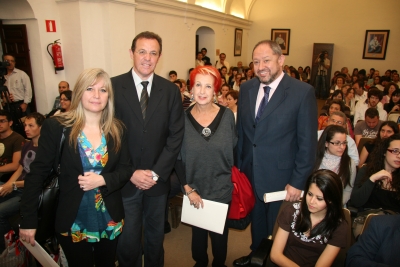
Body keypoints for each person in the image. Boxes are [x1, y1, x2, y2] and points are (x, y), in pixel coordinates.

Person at [19, 68, 132, 266]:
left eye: (103, 90)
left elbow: (126, 169)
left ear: (109, 96)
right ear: (79, 92)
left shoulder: (117, 129)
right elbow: (36, 174)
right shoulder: (57, 127)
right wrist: (28, 220)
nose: (97, 95)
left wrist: (104, 179)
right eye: (90, 89)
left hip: (109, 217)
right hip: (73, 218)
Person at [234, 40, 317, 267]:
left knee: (279, 229)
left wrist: (298, 182)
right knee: (258, 223)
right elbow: (243, 132)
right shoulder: (247, 88)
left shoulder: (302, 92)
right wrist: (239, 170)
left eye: (266, 60)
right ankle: (256, 257)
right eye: (256, 61)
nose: (261, 66)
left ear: (281, 60)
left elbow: (308, 144)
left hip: (283, 181)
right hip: (251, 174)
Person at [111, 31, 184, 267]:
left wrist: (155, 173)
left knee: (155, 240)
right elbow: (108, 137)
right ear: (131, 53)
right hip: (125, 180)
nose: (147, 58)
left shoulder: (170, 91)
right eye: (142, 51)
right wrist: (131, 171)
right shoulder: (112, 87)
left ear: (159, 56)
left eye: (153, 53)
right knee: (128, 241)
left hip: (157, 181)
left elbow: (175, 137)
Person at [175, 65, 237, 267]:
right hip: (194, 189)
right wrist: (187, 188)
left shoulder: (227, 117)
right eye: (198, 85)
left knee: (220, 236)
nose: (202, 91)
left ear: (216, 91)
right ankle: (200, 262)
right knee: (198, 235)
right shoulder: (182, 120)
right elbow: (176, 158)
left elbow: (234, 150)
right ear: (190, 89)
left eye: (208, 86)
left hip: (221, 188)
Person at [270, 169, 348, 267]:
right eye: (310, 194)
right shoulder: (291, 212)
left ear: (331, 200)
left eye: (319, 199)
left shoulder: (339, 227)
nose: (311, 201)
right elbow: (275, 255)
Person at [0, 112, 44, 252]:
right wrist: (8, 185)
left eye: (31, 126)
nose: (26, 128)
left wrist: (13, 185)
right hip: (17, 187)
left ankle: (8, 246)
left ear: (41, 127)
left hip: (28, 192)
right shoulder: (27, 145)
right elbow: (20, 169)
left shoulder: (45, 150)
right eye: (25, 125)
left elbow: (38, 180)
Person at [350, 134, 400, 213]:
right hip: (369, 219)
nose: (399, 156)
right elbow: (356, 202)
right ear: (384, 152)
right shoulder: (366, 170)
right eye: (395, 151)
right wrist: (372, 179)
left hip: (395, 222)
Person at [314, 125, 356, 206]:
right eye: (337, 143)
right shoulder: (314, 160)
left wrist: (334, 205)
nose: (342, 147)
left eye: (344, 143)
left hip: (336, 206)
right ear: (326, 143)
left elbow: (348, 190)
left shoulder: (349, 163)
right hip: (313, 203)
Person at [1, 53, 32, 118]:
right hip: (6, 106)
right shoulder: (1, 76)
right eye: (7, 61)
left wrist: (25, 103)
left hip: (19, 104)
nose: (10, 63)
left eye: (12, 61)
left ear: (15, 62)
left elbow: (28, 90)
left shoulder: (21, 74)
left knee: (24, 125)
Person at [0, 110, 25, 180]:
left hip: (8, 176)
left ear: (10, 123)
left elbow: (15, 165)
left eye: (2, 121)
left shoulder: (17, 139)